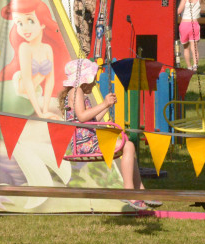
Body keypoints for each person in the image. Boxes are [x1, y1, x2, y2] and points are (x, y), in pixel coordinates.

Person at [59, 59, 146, 192]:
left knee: (128, 145)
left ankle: (139, 188)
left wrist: (107, 107)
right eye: (92, 79)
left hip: (88, 140)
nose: (94, 83)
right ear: (84, 79)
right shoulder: (77, 91)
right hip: (84, 143)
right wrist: (104, 104)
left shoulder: (76, 92)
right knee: (128, 145)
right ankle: (130, 190)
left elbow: (91, 121)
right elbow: (82, 117)